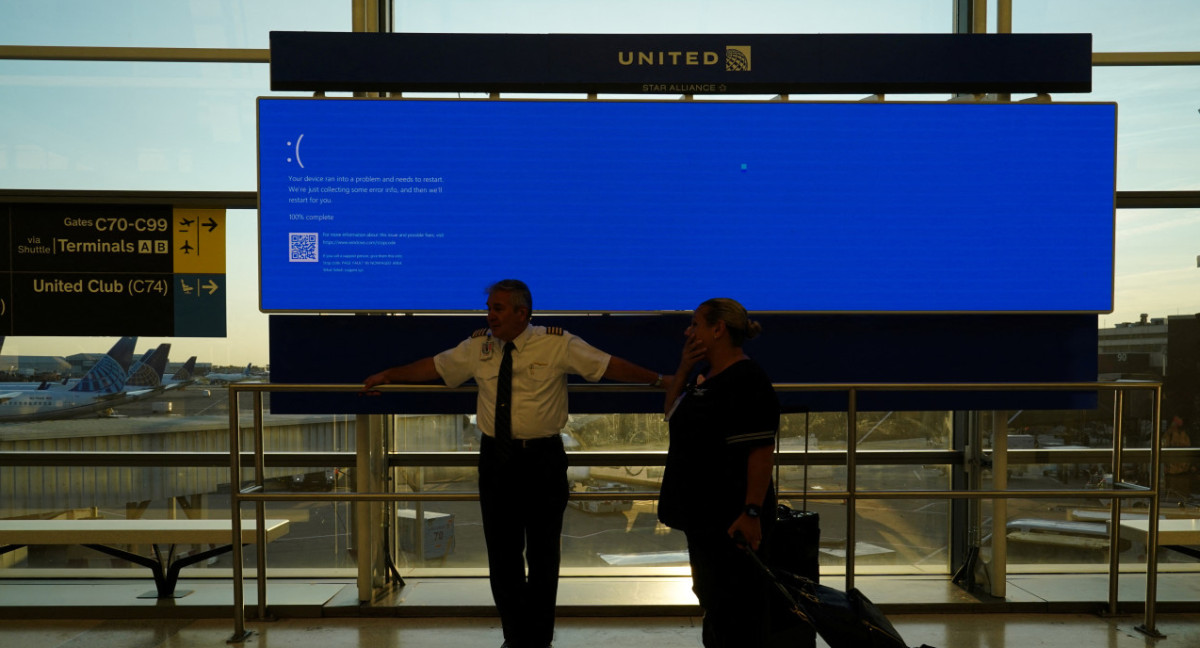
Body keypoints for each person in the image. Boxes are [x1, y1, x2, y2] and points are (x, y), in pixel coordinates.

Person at [362, 279, 669, 648]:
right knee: (503, 556)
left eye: (499, 309)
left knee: (543, 556)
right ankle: (515, 636)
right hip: (497, 460)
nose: (490, 315)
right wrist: (389, 374)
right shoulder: (479, 346)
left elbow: (606, 366)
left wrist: (659, 380)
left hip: (542, 460)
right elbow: (435, 367)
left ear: (523, 313)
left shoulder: (557, 343)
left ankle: (538, 639)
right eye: (489, 308)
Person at [657, 298, 779, 648]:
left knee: (738, 609)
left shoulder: (746, 381)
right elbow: (671, 413)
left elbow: (760, 452)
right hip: (704, 519)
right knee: (714, 601)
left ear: (718, 329)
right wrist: (683, 368)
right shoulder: (707, 379)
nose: (688, 331)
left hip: (731, 519)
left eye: (695, 324)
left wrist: (751, 512)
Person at [1164, 416, 1192, 501]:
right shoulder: (1169, 434)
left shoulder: (1184, 435)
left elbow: (1188, 449)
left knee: (1183, 492)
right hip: (1172, 471)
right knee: (1173, 491)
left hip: (1183, 470)